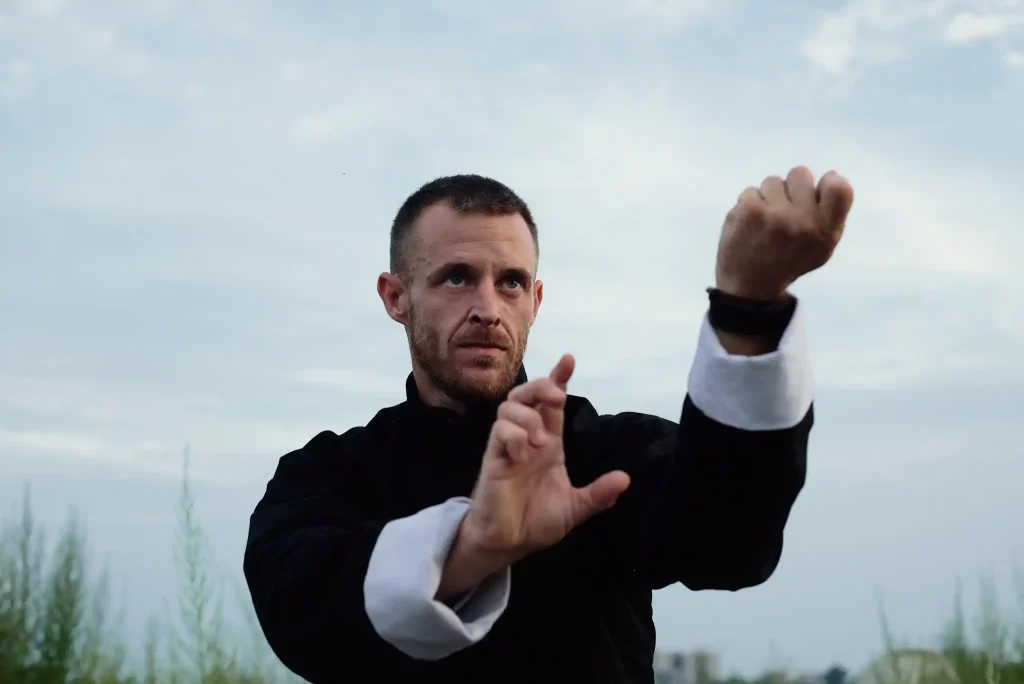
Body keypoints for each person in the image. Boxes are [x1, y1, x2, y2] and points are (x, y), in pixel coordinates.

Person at [243, 169, 854, 683]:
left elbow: (731, 542)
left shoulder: (603, 456)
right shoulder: (327, 476)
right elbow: (301, 618)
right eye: (457, 277)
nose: (488, 308)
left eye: (510, 282)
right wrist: (472, 546)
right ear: (395, 296)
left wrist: (747, 309)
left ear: (536, 300)